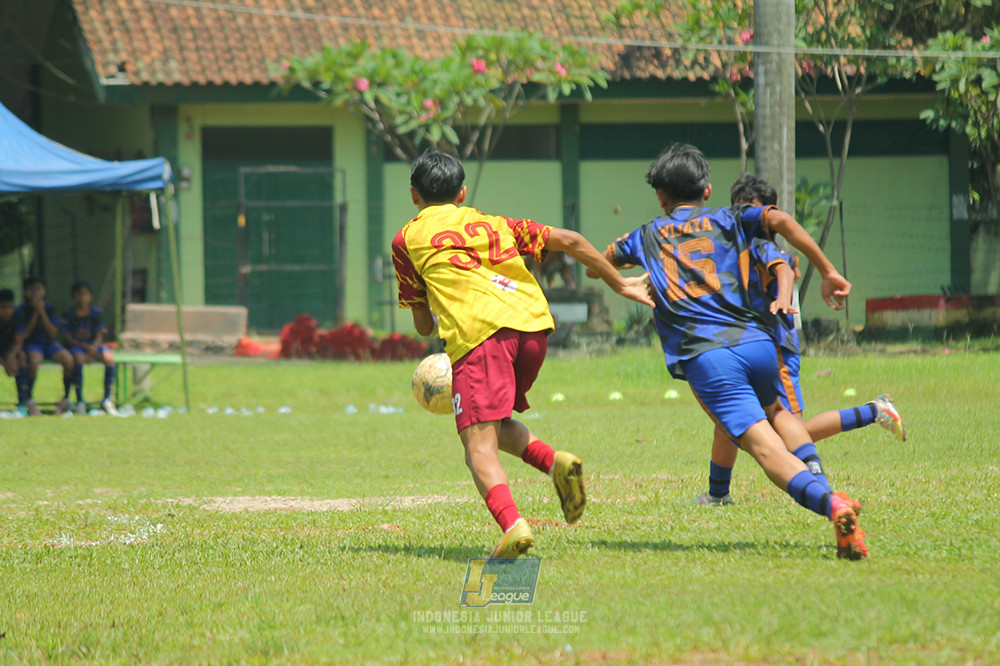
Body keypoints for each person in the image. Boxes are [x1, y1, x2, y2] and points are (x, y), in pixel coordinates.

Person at [602, 144, 867, 559]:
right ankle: (820, 486)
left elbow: (598, 262)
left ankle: (831, 504)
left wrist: (624, 280)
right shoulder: (729, 217)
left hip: (710, 356)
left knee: (765, 448)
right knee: (780, 415)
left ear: (660, 196)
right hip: (759, 343)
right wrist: (829, 270)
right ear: (707, 190)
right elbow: (777, 219)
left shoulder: (646, 235)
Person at [392, 150, 654, 559]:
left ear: (413, 196)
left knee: (477, 449)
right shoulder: (496, 224)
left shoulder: (406, 239)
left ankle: (513, 526)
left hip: (482, 338)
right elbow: (570, 240)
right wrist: (620, 285)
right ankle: (556, 461)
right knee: (492, 425)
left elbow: (424, 326)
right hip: (533, 330)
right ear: (462, 193)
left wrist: (432, 296)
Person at [690, 174, 907, 506]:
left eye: (754, 211)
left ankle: (873, 411)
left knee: (788, 428)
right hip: (747, 345)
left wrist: (784, 300)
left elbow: (785, 271)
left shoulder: (763, 245)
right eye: (740, 210)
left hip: (773, 347)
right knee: (728, 422)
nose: (747, 217)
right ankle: (718, 495)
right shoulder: (734, 243)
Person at [12, 277, 75, 415]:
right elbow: (25, 333)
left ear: (44, 291)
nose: (36, 293)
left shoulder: (49, 308)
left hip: (49, 344)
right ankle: (29, 397)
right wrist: (36, 313)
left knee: (68, 359)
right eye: (33, 290)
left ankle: (66, 398)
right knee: (34, 361)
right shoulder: (22, 309)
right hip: (32, 344)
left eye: (39, 289)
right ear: (27, 292)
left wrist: (42, 312)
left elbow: (52, 333)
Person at [62, 280, 118, 415]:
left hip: (93, 346)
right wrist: (85, 346)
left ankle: (106, 399)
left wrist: (93, 347)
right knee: (79, 359)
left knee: (109, 359)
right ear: (73, 296)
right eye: (79, 294)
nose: (82, 297)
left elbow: (99, 334)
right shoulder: (69, 313)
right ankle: (80, 400)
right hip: (77, 347)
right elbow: (68, 337)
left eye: (85, 294)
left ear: (90, 296)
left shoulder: (95, 313)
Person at [0, 288, 26, 400]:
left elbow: (19, 340)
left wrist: (10, 356)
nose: (7, 311)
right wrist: (4, 362)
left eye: (10, 307)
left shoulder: (18, 316)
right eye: (3, 308)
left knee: (22, 356)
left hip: (9, 349)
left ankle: (24, 401)